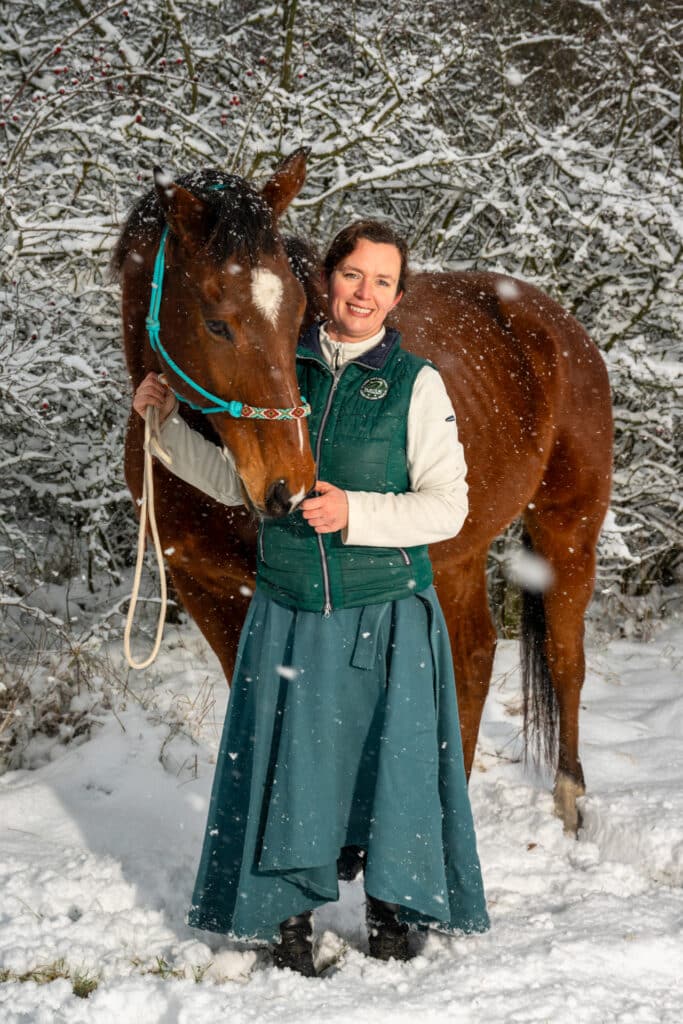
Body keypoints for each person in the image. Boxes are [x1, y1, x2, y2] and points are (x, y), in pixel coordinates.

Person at [133, 219, 489, 976]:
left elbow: (448, 507)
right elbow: (243, 484)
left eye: (382, 281)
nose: (364, 293)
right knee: (290, 769)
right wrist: (162, 427)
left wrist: (356, 513)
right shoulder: (281, 370)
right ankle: (284, 912)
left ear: (397, 295)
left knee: (385, 767)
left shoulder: (413, 383)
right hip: (291, 610)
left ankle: (393, 908)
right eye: (352, 275)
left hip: (385, 612)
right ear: (324, 280)